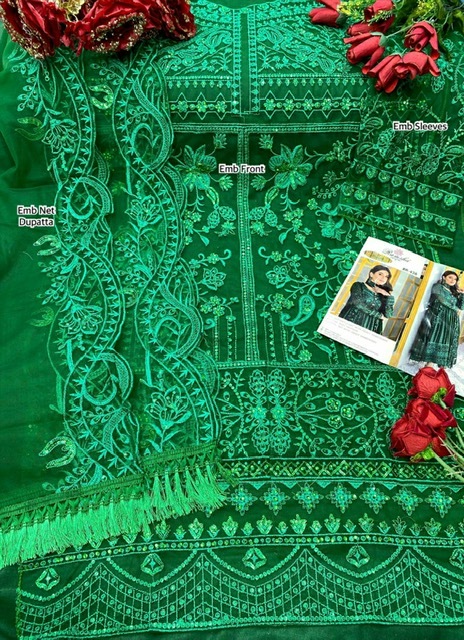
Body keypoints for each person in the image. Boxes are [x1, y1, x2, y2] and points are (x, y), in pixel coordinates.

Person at [410, 270, 464, 368]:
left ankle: (437, 362)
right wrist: (456, 308)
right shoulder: (438, 287)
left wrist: (462, 295)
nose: (453, 280)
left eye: (455, 279)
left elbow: (462, 307)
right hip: (439, 316)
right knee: (435, 337)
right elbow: (442, 300)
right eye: (450, 277)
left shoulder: (454, 292)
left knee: (445, 340)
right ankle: (428, 362)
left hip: (451, 320)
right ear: (444, 277)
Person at [339, 265, 395, 334]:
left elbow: (388, 315)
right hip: (352, 322)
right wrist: (378, 315)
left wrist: (387, 295)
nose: (383, 278)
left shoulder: (383, 294)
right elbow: (357, 303)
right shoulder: (359, 286)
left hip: (371, 328)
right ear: (371, 274)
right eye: (380, 274)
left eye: (386, 276)